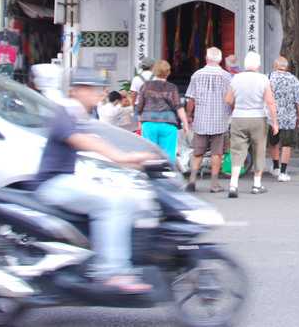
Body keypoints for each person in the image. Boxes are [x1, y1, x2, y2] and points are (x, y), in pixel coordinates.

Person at [35, 68, 154, 293]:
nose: (98, 93)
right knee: (113, 202)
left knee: (125, 198)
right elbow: (82, 141)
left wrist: (129, 158)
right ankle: (112, 271)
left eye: (99, 89)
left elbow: (99, 140)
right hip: (54, 184)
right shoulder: (65, 112)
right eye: (92, 89)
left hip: (68, 179)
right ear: (76, 91)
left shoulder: (81, 115)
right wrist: (123, 158)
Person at [223, 52, 279, 198]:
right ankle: (256, 184)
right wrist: (274, 122)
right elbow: (270, 102)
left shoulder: (236, 78)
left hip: (239, 118)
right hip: (258, 118)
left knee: (237, 151)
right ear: (258, 65)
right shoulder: (263, 79)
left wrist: (239, 104)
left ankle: (233, 184)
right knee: (259, 150)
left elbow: (228, 100)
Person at [184, 47, 233, 193]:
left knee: (197, 152)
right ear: (220, 59)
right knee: (217, 153)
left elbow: (191, 99)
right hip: (220, 120)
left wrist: (189, 115)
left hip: (201, 120)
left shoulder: (196, 75)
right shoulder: (227, 76)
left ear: (206, 59)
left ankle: (192, 180)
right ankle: (214, 184)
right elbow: (231, 99)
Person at [136, 60, 190, 161]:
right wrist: (185, 123)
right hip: (168, 124)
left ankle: (151, 175)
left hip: (149, 123)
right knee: (168, 155)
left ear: (154, 71)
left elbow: (139, 107)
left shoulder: (146, 86)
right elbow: (179, 107)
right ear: (168, 72)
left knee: (149, 154)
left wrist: (140, 122)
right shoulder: (172, 87)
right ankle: (167, 175)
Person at [268, 56, 299, 182]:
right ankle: (283, 172)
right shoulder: (293, 79)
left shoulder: (269, 77)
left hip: (273, 117)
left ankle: (276, 167)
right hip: (289, 116)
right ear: (286, 67)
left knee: (274, 142)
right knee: (287, 145)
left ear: (275, 66)